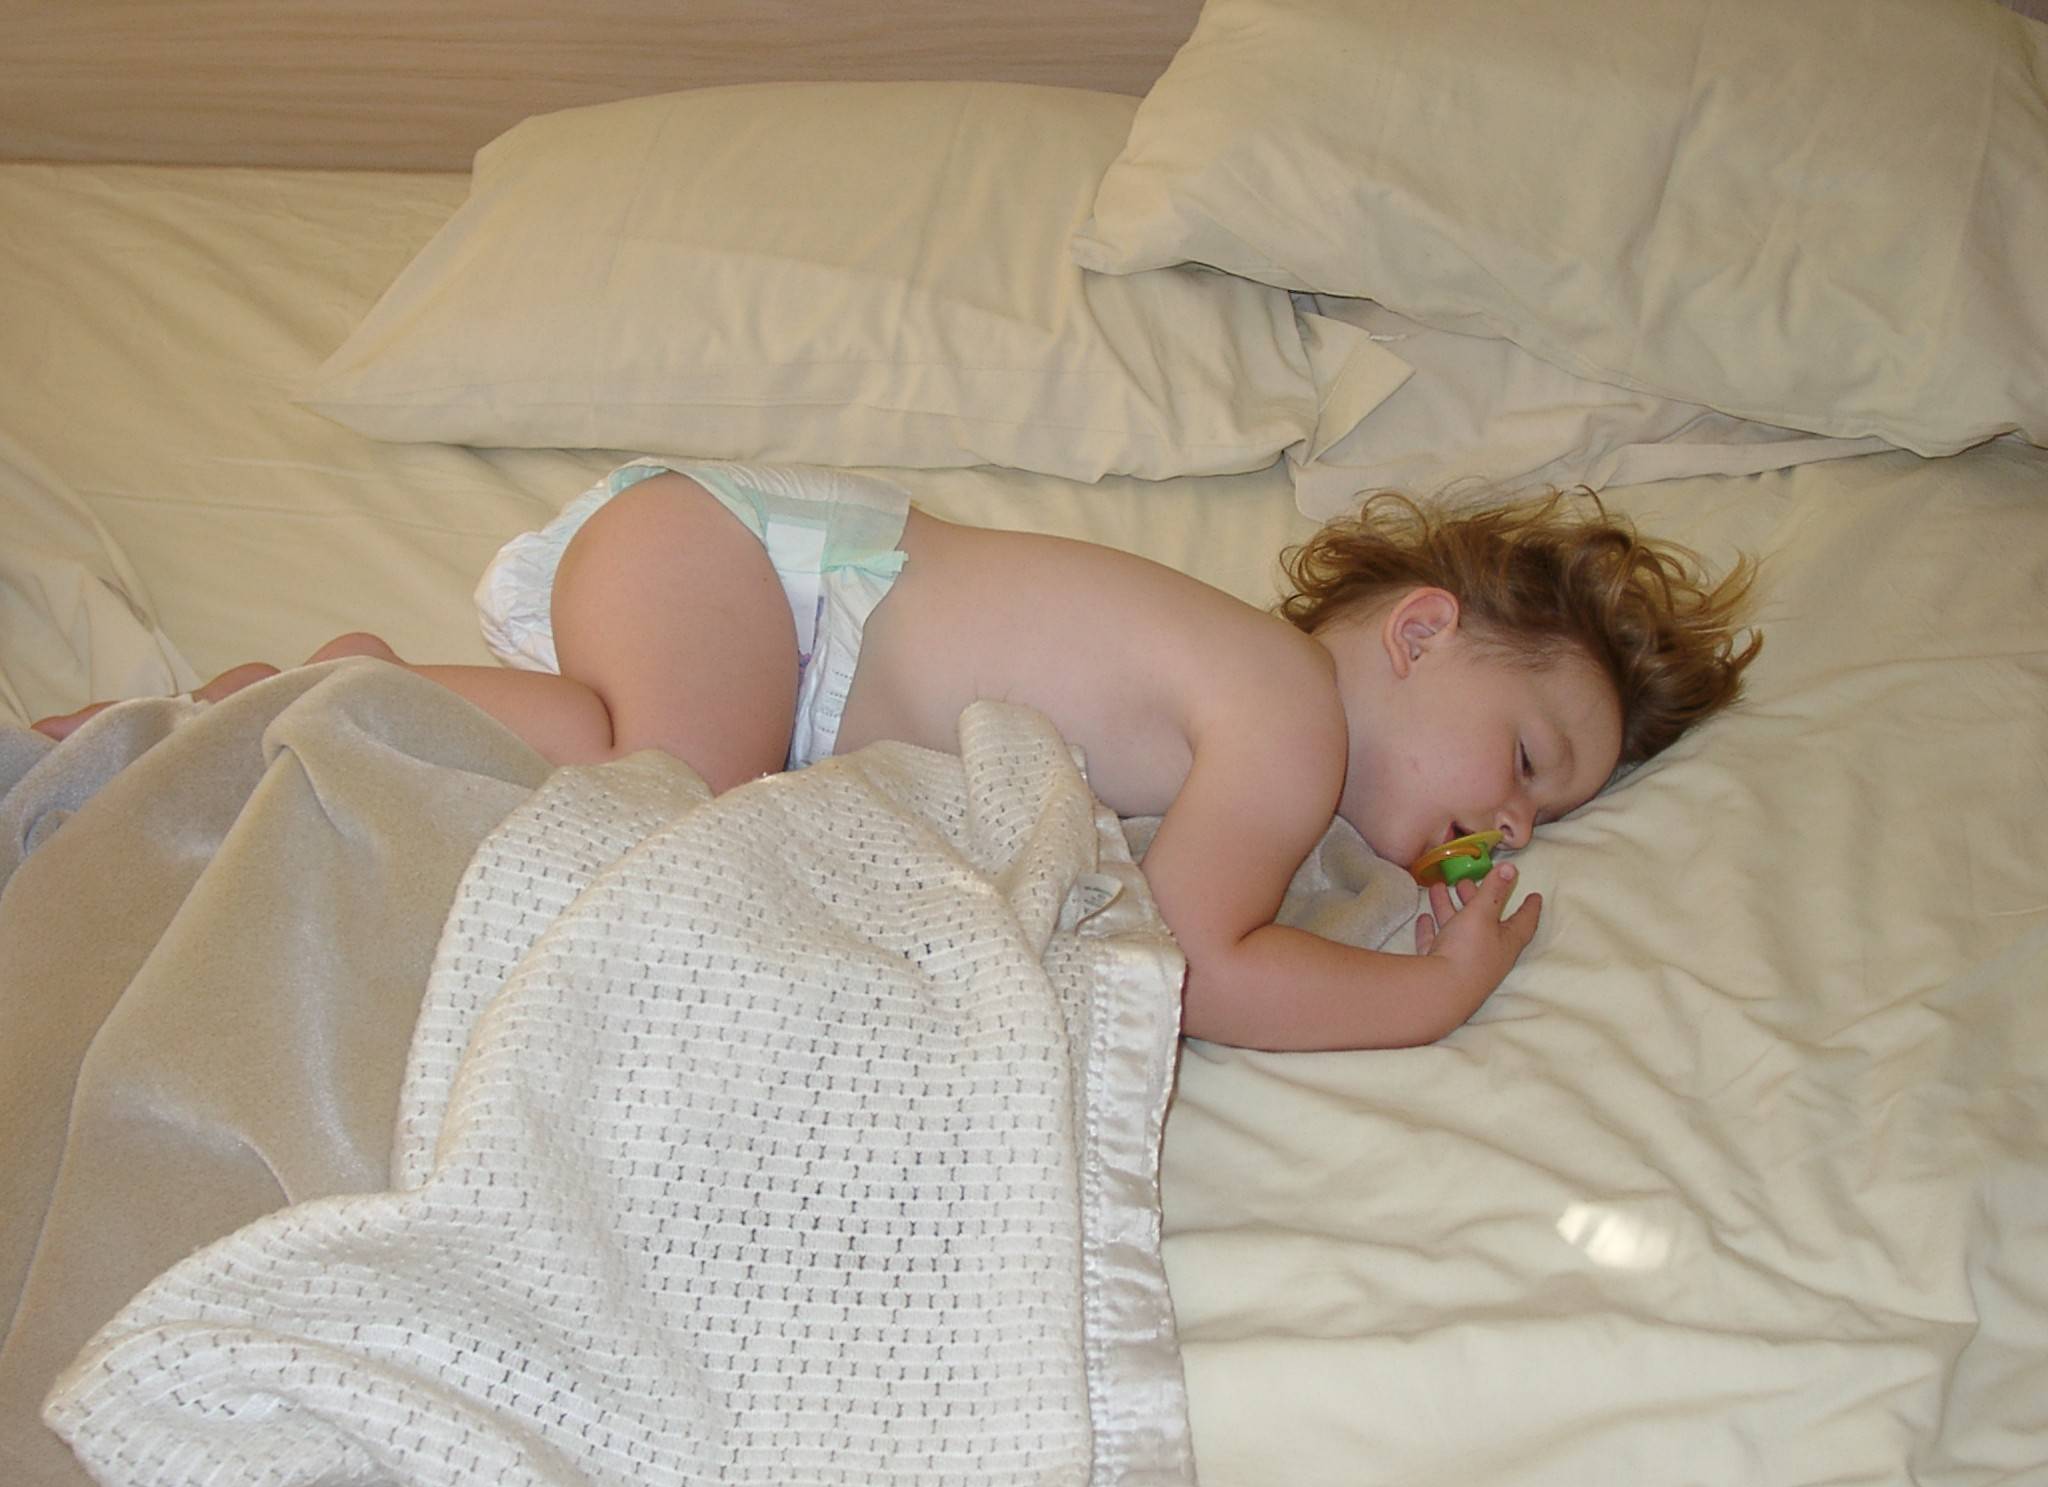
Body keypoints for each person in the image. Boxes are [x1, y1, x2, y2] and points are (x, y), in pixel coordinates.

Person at [33, 460, 1758, 1050]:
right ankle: (294, 717)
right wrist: (1424, 993)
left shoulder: (1250, 715)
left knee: (611, 787)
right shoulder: (1285, 720)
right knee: (661, 827)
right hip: (760, 577)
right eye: (1527, 755)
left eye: (1544, 807)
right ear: (1421, 634)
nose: (1510, 815)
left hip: (756, 606)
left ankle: (327, 700)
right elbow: (1200, 967)